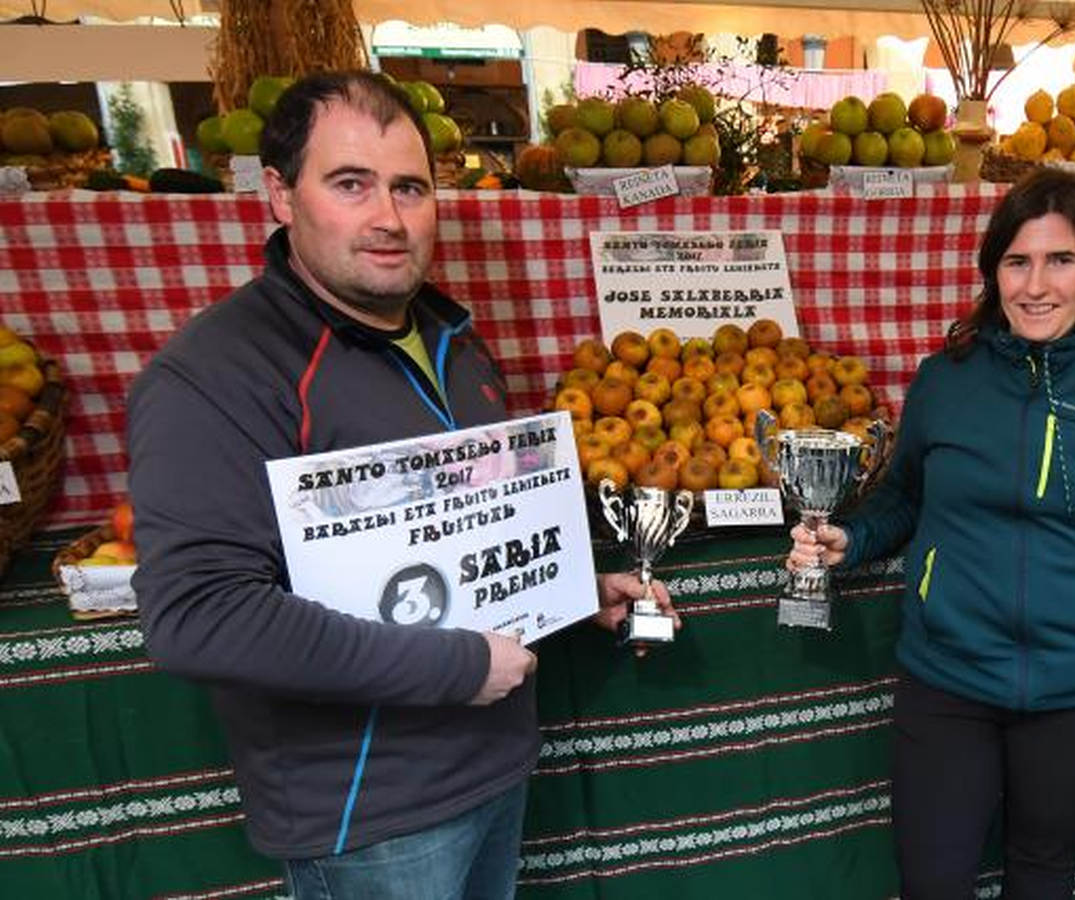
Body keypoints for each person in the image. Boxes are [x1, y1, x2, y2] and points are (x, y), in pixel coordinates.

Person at [126, 71, 677, 900]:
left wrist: (566, 587)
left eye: (410, 188)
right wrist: (454, 669)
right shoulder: (213, 374)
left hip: (492, 770)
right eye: (351, 184)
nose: (389, 218)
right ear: (280, 193)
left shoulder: (454, 341)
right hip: (370, 815)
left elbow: (450, 542)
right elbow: (199, 617)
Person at [788, 168, 1075, 898]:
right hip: (948, 677)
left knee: (1042, 871)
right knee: (933, 879)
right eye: (1017, 261)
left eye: (1061, 260)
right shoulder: (947, 379)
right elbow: (905, 496)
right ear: (993, 271)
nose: (1035, 285)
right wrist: (854, 538)